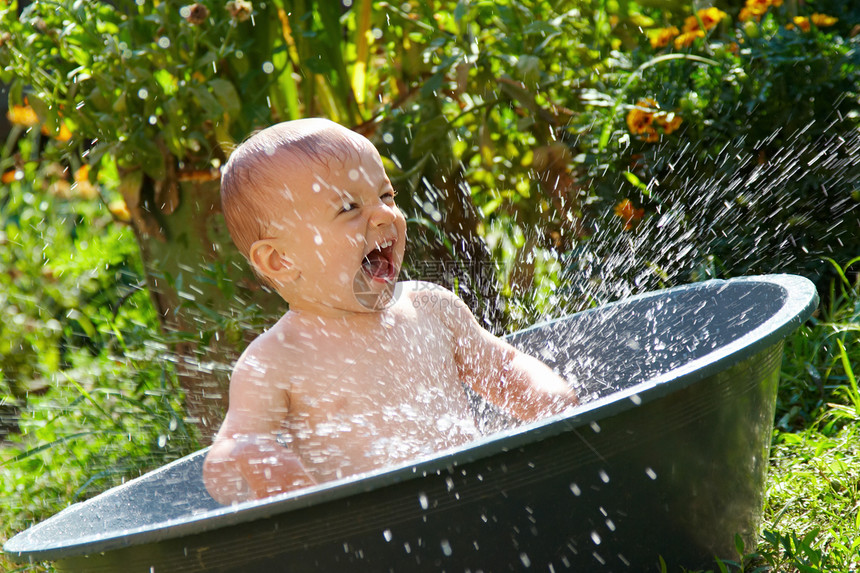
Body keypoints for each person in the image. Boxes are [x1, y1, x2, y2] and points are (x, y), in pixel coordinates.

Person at [202, 118, 578, 504]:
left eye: (386, 196)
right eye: (349, 207)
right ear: (280, 259)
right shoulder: (276, 359)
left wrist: (553, 404)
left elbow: (504, 368)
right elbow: (229, 455)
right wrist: (259, 462)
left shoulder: (430, 307)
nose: (385, 215)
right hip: (376, 534)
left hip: (477, 499)